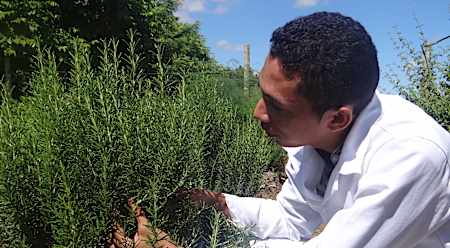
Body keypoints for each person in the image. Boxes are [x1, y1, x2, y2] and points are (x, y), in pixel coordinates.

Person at [109, 12, 450, 247]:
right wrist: (217, 203)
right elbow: (290, 222)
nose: (258, 113)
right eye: (263, 94)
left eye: (276, 106)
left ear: (336, 119)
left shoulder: (412, 156)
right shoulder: (317, 135)